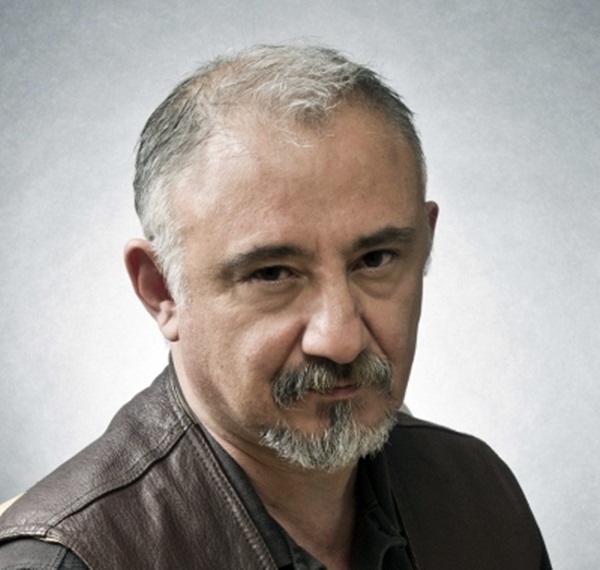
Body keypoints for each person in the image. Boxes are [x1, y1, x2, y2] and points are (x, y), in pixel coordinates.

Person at [0, 44, 551, 569]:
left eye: (375, 259)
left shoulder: (480, 492)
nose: (341, 339)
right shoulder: (63, 561)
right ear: (161, 289)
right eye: (272, 273)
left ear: (424, 244)